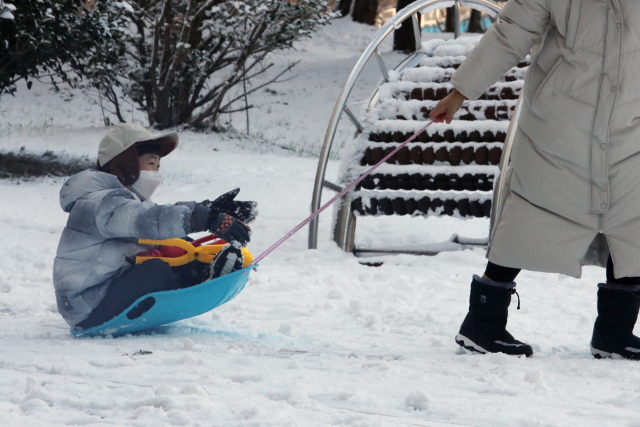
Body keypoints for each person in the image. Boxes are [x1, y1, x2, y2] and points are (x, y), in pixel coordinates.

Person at [430, 0, 640, 359]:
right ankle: (483, 323)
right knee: (529, 215)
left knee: (632, 223)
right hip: (562, 123)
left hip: (629, 125)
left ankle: (615, 333)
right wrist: (460, 90)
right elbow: (510, 34)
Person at [53, 123, 258, 330]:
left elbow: (158, 226)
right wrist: (202, 217)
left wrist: (210, 209)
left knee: (176, 246)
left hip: (109, 287)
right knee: (154, 271)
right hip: (88, 305)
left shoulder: (127, 199)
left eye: (158, 166)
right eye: (151, 164)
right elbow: (147, 221)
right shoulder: (100, 202)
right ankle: (199, 281)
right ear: (126, 165)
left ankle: (206, 271)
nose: (156, 173)